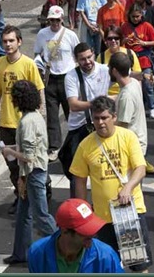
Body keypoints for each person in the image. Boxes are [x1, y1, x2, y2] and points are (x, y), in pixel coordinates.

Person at [71, 96, 153, 273]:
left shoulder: (127, 137)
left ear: (114, 117)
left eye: (104, 118)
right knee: (108, 265)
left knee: (138, 264)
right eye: (96, 118)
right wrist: (84, 213)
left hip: (129, 213)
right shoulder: (85, 145)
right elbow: (79, 179)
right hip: (103, 217)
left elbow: (140, 168)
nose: (100, 122)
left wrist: (128, 187)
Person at [0, 25, 45, 215]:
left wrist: (39, 113)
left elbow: (39, 88)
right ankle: (20, 196)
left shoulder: (28, 64)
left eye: (11, 40)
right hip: (7, 124)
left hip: (25, 123)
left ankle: (43, 191)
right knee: (12, 164)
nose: (8, 44)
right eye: (5, 41)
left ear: (19, 41)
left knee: (30, 162)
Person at [1, 80, 57, 264]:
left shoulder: (26, 122)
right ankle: (20, 253)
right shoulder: (36, 116)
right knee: (23, 215)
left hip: (33, 173)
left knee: (41, 216)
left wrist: (9, 151)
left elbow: (28, 156)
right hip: (31, 173)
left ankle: (66, 246)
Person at [60, 42, 111, 198]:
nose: (87, 62)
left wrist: (143, 76)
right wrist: (99, 104)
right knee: (76, 172)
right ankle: (77, 208)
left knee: (106, 169)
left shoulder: (105, 70)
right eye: (82, 59)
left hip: (101, 125)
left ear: (94, 53)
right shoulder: (71, 76)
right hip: (79, 128)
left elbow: (127, 75)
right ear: (76, 60)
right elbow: (73, 105)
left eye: (89, 57)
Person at [28, 198, 124, 273]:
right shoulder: (37, 253)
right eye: (85, 231)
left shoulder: (106, 257)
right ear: (65, 230)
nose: (92, 234)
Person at [34, 5, 79, 162]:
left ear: (62, 20)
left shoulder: (70, 35)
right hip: (50, 77)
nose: (54, 24)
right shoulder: (42, 34)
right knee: (52, 115)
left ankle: (75, 144)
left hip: (68, 77)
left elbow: (77, 54)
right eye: (52, 20)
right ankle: (54, 147)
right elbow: (37, 53)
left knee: (71, 113)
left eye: (57, 21)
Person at [108, 52, 154, 175]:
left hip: (131, 147)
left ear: (114, 71)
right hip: (138, 143)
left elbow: (121, 125)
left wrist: (105, 123)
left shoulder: (126, 96)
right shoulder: (133, 83)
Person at [121, 3, 154, 119]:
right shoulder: (124, 27)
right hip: (130, 59)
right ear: (129, 16)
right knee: (131, 85)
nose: (136, 19)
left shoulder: (147, 26)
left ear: (141, 15)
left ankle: (152, 106)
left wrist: (145, 43)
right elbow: (119, 42)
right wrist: (125, 39)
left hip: (144, 58)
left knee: (147, 84)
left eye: (137, 16)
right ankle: (136, 107)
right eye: (133, 17)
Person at [96, 25, 141, 96]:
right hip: (109, 96)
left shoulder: (130, 54)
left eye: (116, 38)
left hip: (128, 94)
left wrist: (138, 95)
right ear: (105, 40)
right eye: (110, 38)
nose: (113, 41)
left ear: (120, 39)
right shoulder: (101, 57)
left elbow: (138, 77)